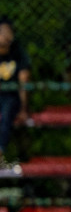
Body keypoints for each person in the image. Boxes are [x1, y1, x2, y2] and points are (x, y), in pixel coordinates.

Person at [0, 17, 31, 158]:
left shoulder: (18, 53)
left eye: (8, 32)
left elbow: (23, 81)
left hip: (10, 96)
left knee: (7, 112)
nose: (5, 36)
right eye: (2, 32)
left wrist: (24, 108)